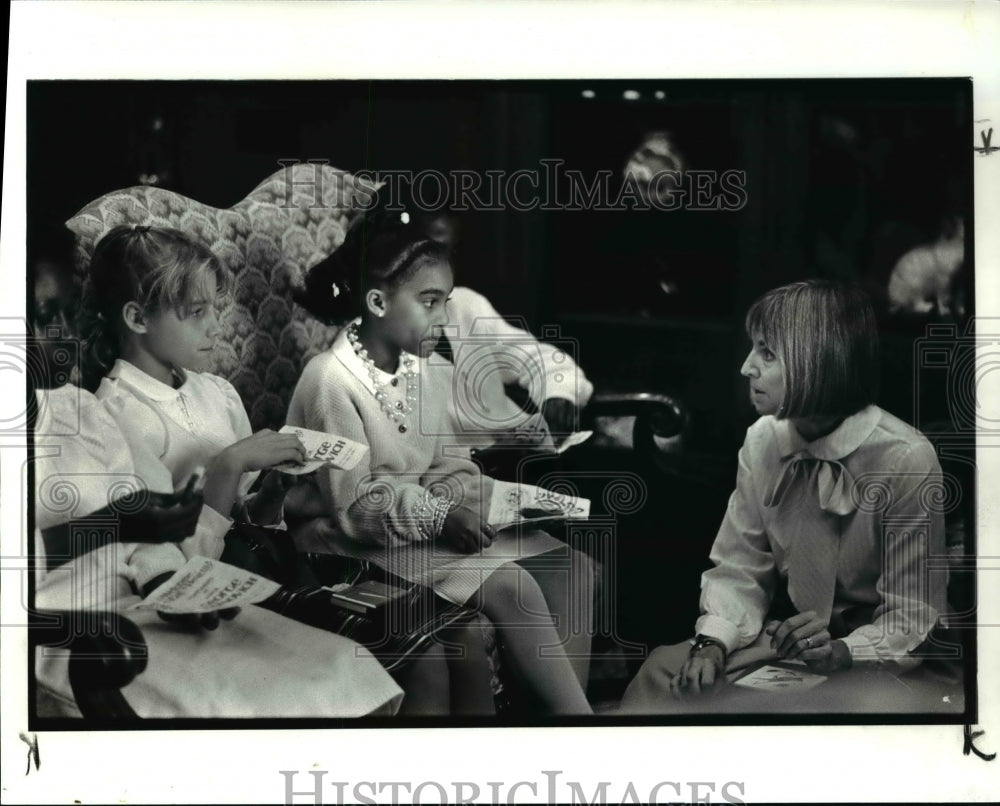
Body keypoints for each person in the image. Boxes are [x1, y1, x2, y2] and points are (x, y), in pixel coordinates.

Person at [70, 223, 484, 716]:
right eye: (197, 313)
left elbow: (256, 522)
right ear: (138, 318)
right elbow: (172, 565)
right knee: (423, 658)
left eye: (214, 310)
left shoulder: (214, 393)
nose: (213, 328)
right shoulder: (114, 418)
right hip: (218, 591)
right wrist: (229, 466)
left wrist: (274, 491)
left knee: (452, 638)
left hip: (270, 562)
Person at [287, 199, 595, 715]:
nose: (445, 316)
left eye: (447, 300)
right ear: (379, 302)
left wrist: (502, 501)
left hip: (417, 524)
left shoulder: (419, 368)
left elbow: (444, 464)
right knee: (510, 583)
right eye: (430, 301)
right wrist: (439, 514)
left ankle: (551, 726)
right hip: (344, 543)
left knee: (571, 566)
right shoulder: (330, 380)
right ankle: (581, 733)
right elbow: (355, 505)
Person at [620, 280, 949, 713]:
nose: (746, 367)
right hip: (789, 640)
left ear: (820, 362)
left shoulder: (905, 457)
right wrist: (712, 643)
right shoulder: (763, 440)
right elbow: (740, 566)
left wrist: (846, 652)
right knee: (665, 673)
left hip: (879, 658)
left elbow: (913, 615)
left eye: (767, 353)